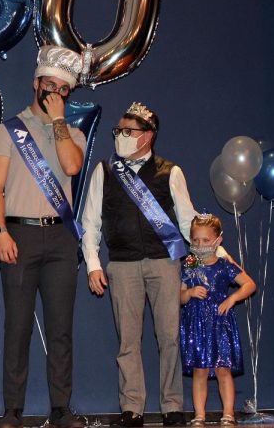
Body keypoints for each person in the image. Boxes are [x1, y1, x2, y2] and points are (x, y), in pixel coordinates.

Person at [0, 46, 87, 428]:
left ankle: (61, 407)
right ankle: (13, 409)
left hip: (60, 238)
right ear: (36, 84)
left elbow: (72, 165)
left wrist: (59, 121)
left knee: (61, 327)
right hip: (20, 235)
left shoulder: (72, 132)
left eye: (63, 89)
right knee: (18, 326)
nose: (55, 93)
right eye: (50, 86)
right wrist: (0, 232)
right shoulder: (8, 130)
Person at [81, 102, 197, 427]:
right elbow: (89, 223)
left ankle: (172, 406)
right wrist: (93, 264)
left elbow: (188, 220)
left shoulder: (170, 172)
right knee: (128, 341)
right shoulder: (104, 171)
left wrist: (209, 248)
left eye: (127, 131)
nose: (120, 136)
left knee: (169, 337)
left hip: (164, 263)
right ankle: (132, 408)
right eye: (118, 131)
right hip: (122, 264)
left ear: (146, 137)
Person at [180, 214, 255, 427]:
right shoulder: (190, 264)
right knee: (199, 370)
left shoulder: (224, 265)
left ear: (217, 241)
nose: (200, 245)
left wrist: (232, 298)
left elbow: (249, 284)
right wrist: (190, 293)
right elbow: (179, 296)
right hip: (196, 324)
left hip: (220, 324)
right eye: (196, 240)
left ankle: (228, 413)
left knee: (223, 369)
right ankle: (199, 415)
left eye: (205, 240)